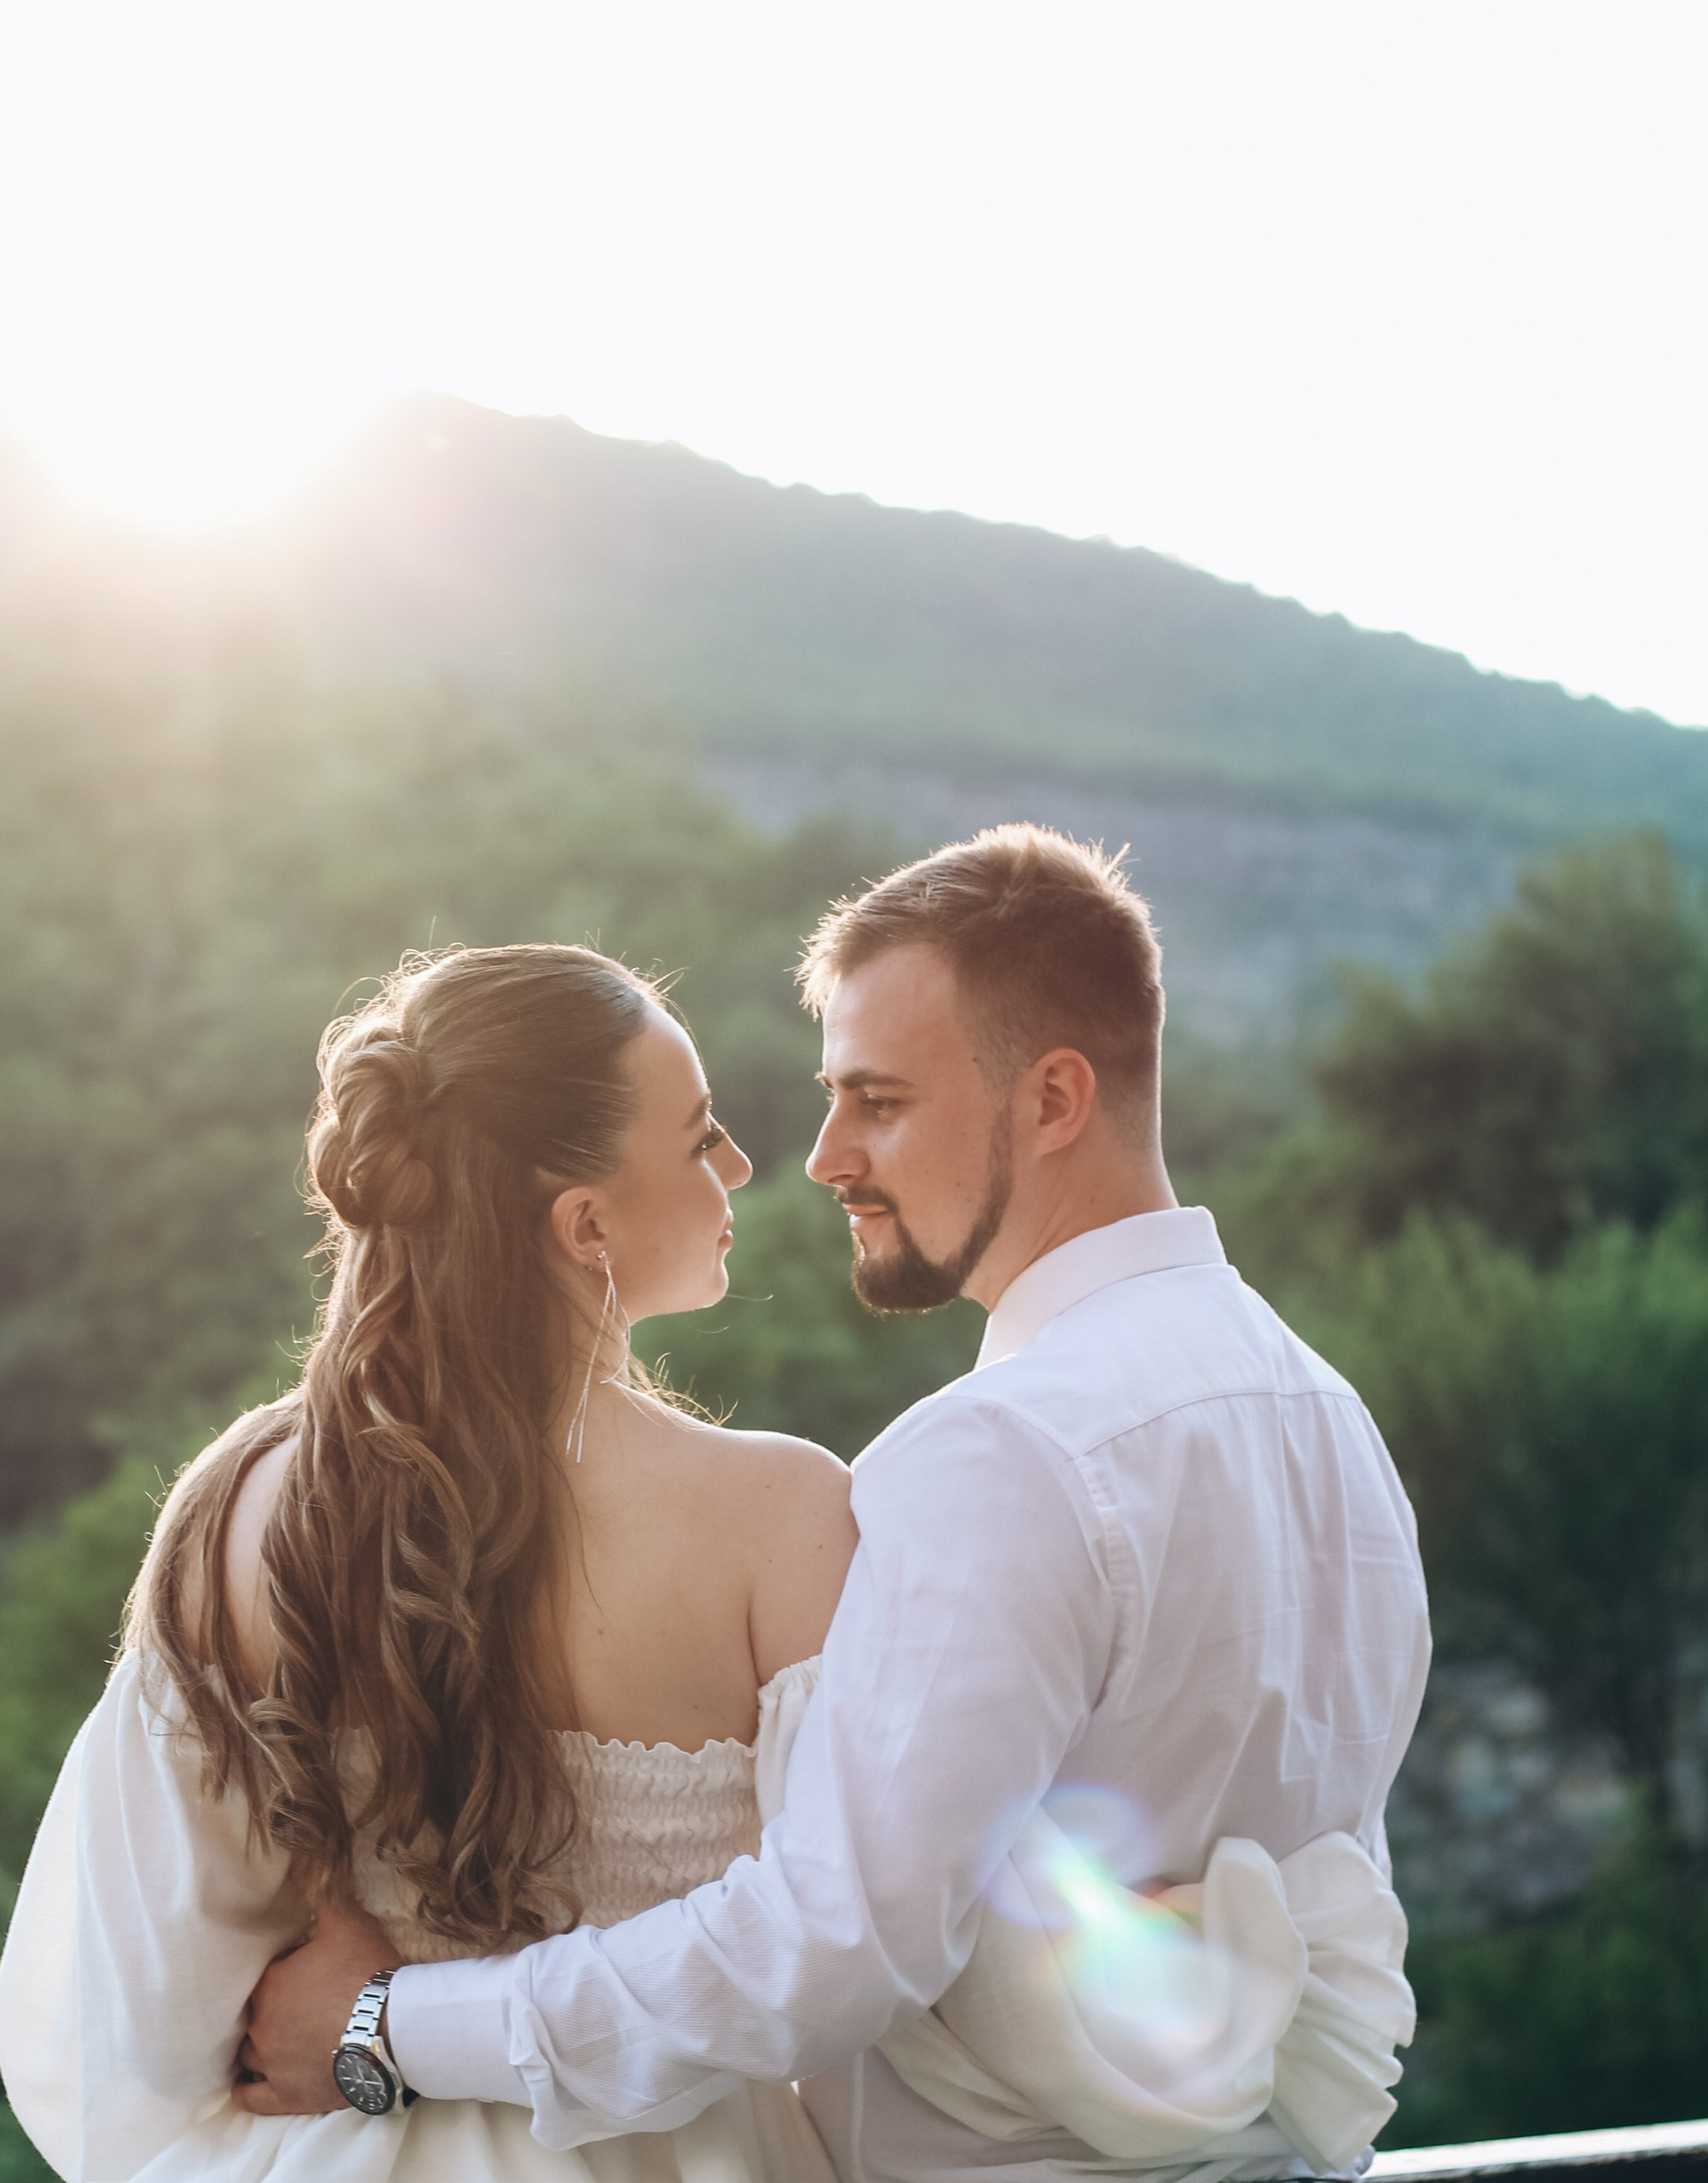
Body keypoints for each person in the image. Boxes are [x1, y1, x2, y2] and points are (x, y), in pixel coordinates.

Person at [236, 825, 1433, 2183]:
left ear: (1051, 1102)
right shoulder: (1330, 1420)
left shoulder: (999, 1453)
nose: (822, 1156)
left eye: (880, 1101)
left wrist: (391, 2028)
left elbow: (822, 1950)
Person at [0, 941, 857, 2181]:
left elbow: (124, 2022)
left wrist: (361, 2045)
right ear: (584, 1223)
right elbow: (840, 1966)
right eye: (701, 1134)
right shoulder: (785, 1517)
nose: (740, 1166)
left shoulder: (241, 1506)